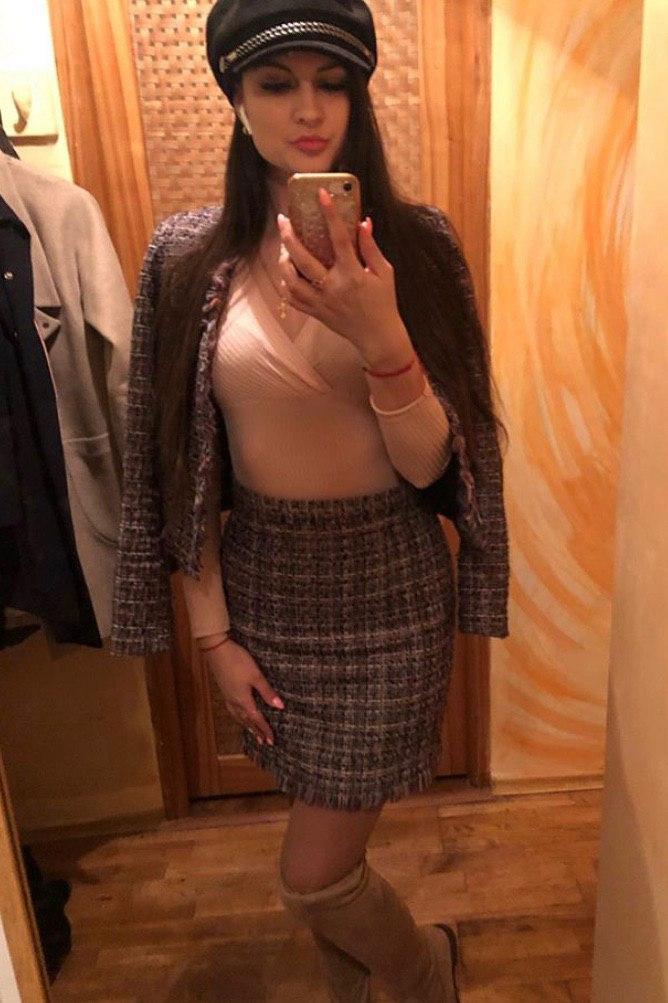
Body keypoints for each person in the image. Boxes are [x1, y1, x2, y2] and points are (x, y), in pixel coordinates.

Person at [111, 1, 510, 999]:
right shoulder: (184, 257)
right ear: (236, 100)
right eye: (275, 83)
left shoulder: (419, 248)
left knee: (313, 875)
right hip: (264, 594)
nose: (308, 109)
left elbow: (434, 467)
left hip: (390, 595)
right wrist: (212, 637)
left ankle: (424, 974)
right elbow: (175, 468)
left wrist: (382, 337)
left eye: (332, 83)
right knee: (328, 855)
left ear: (358, 97)